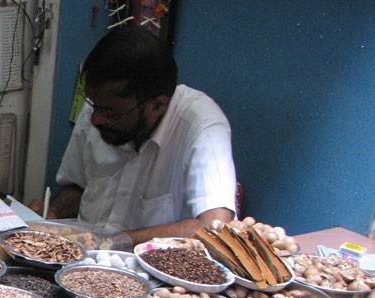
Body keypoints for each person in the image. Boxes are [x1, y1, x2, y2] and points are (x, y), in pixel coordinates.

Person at [28, 26, 237, 245]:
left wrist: (116, 241)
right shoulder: (102, 105)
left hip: (153, 268)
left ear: (157, 106)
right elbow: (79, 185)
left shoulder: (203, 127)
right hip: (84, 255)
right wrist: (52, 212)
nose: (95, 119)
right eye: (93, 106)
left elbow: (215, 227)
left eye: (110, 113)